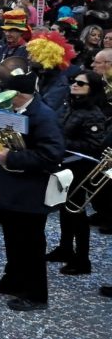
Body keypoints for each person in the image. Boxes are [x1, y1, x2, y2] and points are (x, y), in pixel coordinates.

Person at [0, 71, 64, 311]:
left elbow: (52, 154)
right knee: (13, 238)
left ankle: (36, 294)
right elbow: (2, 143)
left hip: (31, 189)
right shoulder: (13, 111)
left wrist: (13, 158)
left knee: (31, 243)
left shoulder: (43, 116)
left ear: (18, 95)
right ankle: (13, 280)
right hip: (12, 185)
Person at [45, 70, 107, 275]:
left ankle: (82, 260)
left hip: (80, 168)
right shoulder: (70, 105)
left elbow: (94, 146)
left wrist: (62, 143)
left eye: (81, 83)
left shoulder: (94, 113)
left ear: (92, 89)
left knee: (76, 213)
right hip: (65, 164)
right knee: (64, 208)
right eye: (74, 81)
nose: (74, 85)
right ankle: (65, 248)